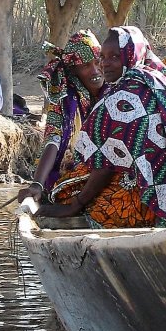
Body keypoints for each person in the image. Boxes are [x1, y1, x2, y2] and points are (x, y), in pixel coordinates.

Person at [43, 25, 166, 229]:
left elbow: (105, 164)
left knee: (63, 193)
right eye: (102, 57)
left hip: (145, 200)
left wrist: (76, 205)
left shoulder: (122, 96)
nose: (104, 65)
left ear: (132, 55)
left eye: (114, 57)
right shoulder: (159, 81)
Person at [17, 30, 105, 203]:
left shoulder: (117, 90)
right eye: (86, 66)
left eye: (97, 62)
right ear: (74, 71)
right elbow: (53, 138)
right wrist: (37, 184)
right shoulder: (65, 99)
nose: (95, 71)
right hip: (76, 173)